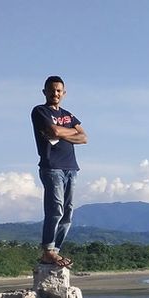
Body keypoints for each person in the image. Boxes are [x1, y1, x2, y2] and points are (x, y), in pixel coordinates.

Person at [31, 75, 87, 267]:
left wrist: (62, 132)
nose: (55, 93)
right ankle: (47, 250)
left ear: (64, 93)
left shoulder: (68, 115)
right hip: (51, 167)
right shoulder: (40, 111)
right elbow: (54, 132)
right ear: (45, 91)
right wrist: (67, 132)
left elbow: (84, 136)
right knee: (55, 208)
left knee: (68, 212)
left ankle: (55, 251)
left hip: (71, 167)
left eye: (58, 91)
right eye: (52, 90)